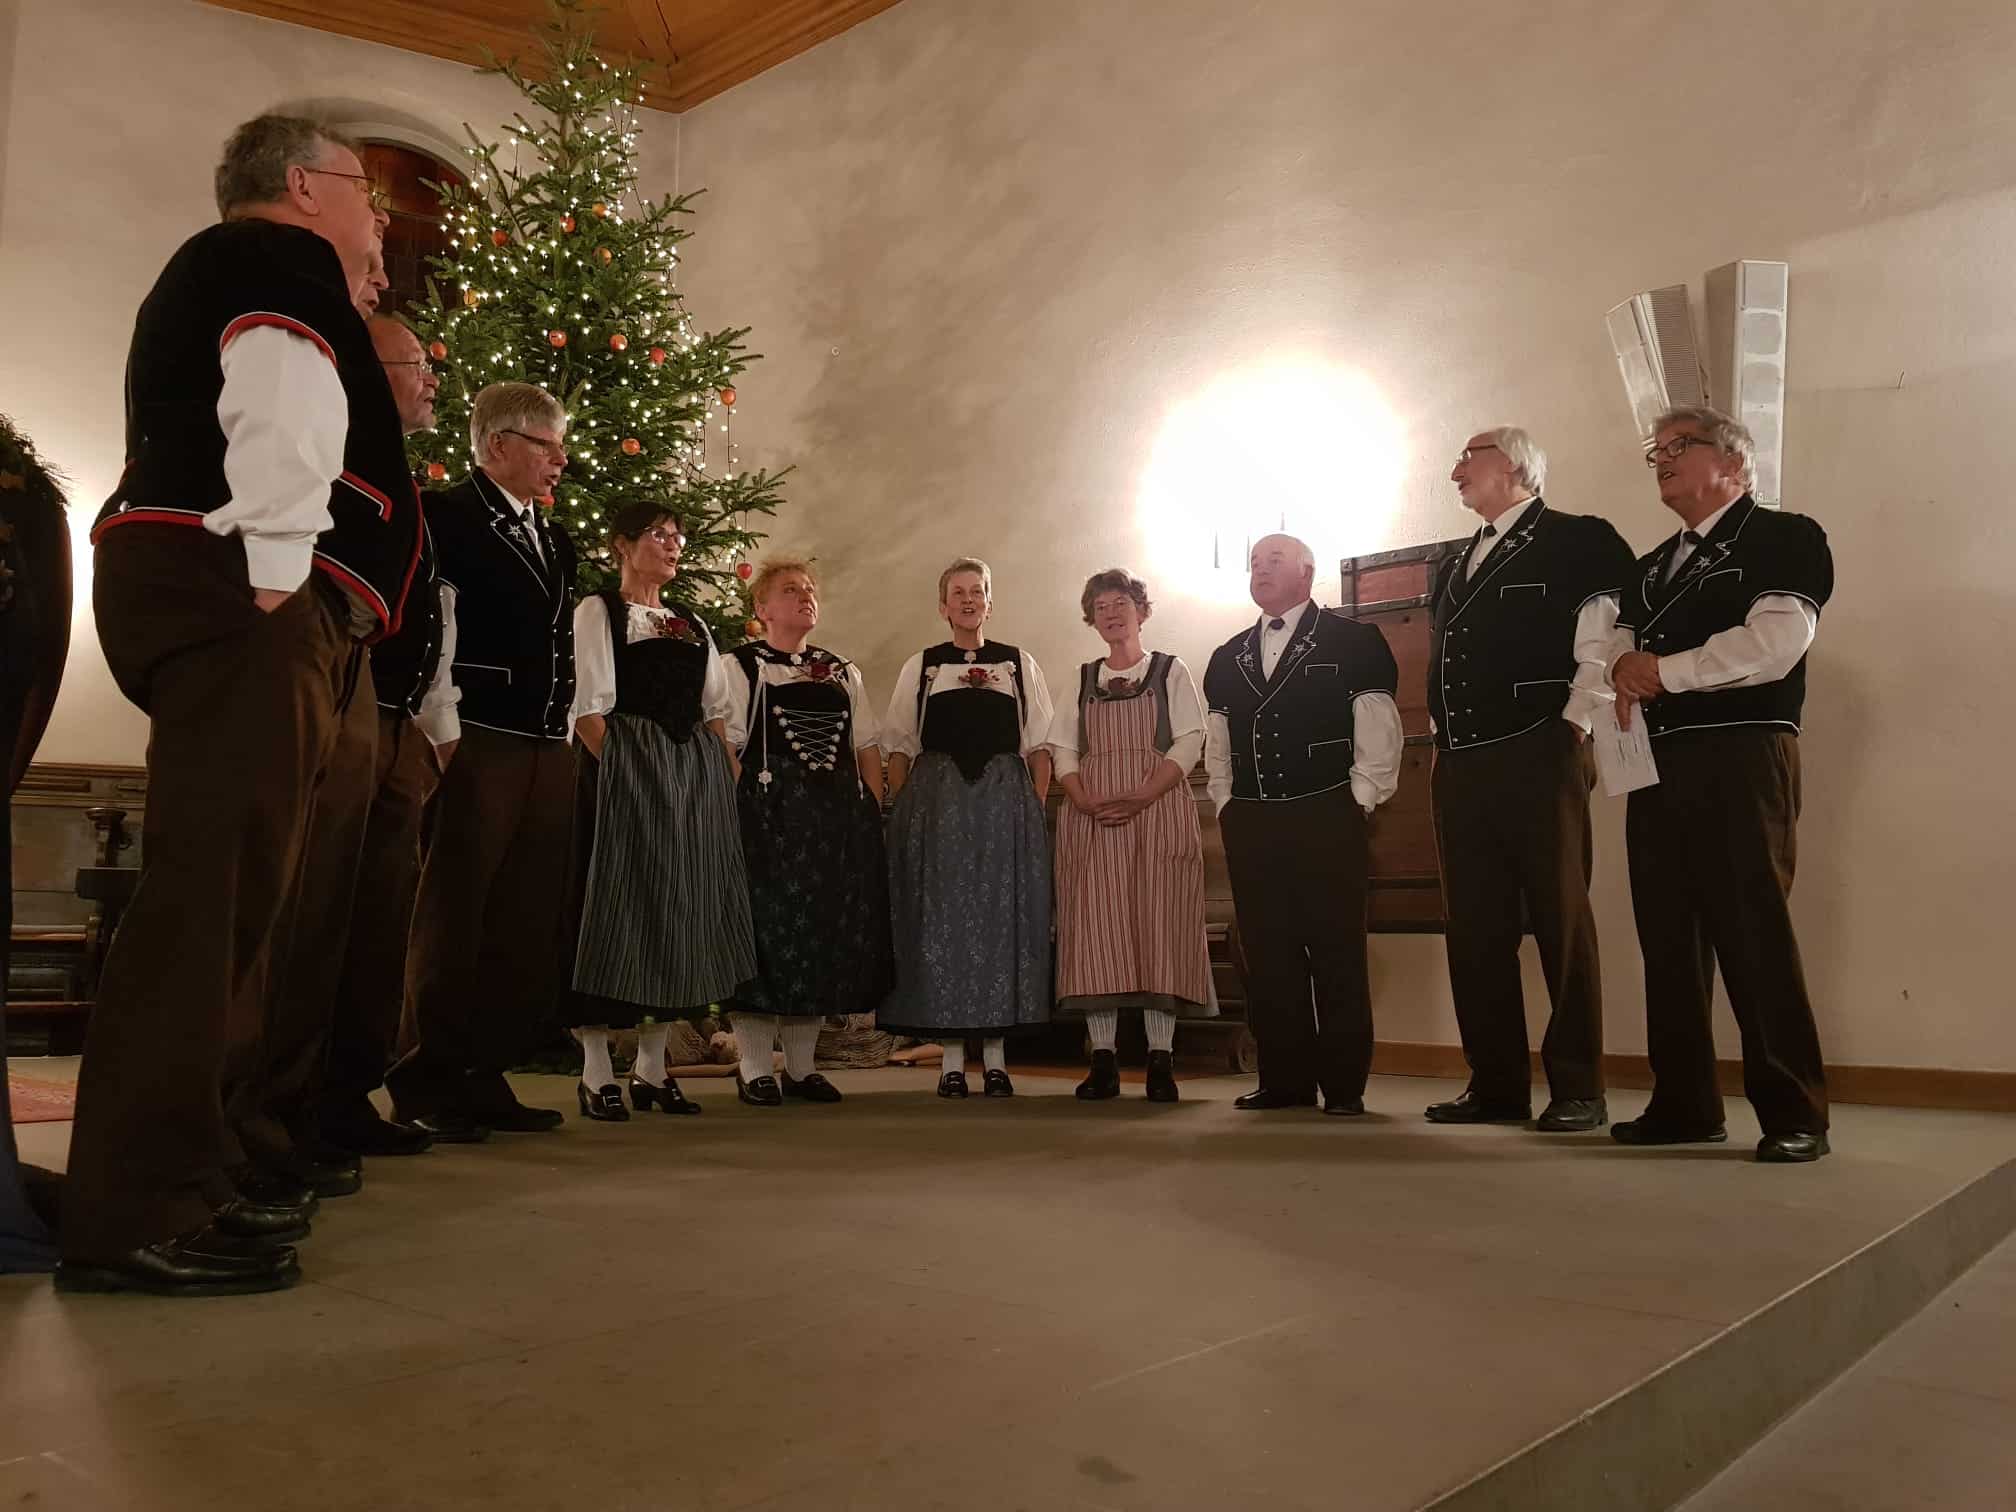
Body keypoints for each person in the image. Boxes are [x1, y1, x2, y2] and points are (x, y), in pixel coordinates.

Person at [62, 114, 412, 1297]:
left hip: (227, 589)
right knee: (209, 908)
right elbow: (280, 394)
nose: (379, 217)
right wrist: (277, 569)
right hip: (244, 591)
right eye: (365, 189)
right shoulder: (273, 258)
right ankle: (136, 1209)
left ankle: (191, 1178)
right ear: (305, 185)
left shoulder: (246, 262)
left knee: (235, 905)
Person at [1598, 405, 1834, 1163]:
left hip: (1741, 754)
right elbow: (1616, 650)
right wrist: (1622, 666)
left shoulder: (1785, 537)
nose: (1663, 460)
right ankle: (1684, 1103)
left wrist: (1660, 671)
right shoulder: (1647, 567)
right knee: (1667, 938)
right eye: (1656, 451)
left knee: (1752, 931)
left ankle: (1795, 1111)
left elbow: (1774, 644)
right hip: (1656, 763)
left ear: (1733, 462)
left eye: (1680, 446)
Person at [1423, 428, 1637, 1133]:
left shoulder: (1580, 539)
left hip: (1539, 751)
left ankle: (1579, 1086)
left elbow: (1604, 641)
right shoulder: (1454, 561)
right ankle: (1497, 1085)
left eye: (1470, 455)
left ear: (1515, 464)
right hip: (1461, 762)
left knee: (1559, 919)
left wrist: (1575, 723)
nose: (1455, 469)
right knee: (1474, 928)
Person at [387, 383, 577, 1140]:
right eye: (545, 443)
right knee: (454, 911)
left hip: (543, 741)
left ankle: (483, 1070)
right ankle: (425, 1078)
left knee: (522, 916)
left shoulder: (553, 539)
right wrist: (442, 728)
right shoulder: (448, 517)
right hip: (477, 734)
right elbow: (435, 623)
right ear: (497, 444)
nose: (560, 459)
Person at [312, 315, 456, 1158]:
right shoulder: (337, 454)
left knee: (379, 913)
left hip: (397, 721)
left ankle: (348, 1091)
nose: (432, 378)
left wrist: (433, 724)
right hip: (349, 705)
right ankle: (302, 1099)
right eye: (417, 363)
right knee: (330, 906)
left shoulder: (399, 473)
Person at [567, 505, 757, 1119]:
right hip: (628, 771)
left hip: (693, 778)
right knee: (616, 905)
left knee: (680, 908)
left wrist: (722, 774)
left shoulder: (692, 622)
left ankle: (651, 1069)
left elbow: (715, 708)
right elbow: (587, 707)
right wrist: (625, 771)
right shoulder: (599, 611)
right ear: (622, 545)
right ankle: (596, 1072)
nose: (673, 545)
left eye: (678, 536)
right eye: (659, 535)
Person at [1203, 534, 1402, 1116]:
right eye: (1254, 563)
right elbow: (1218, 745)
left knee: (1337, 952)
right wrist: (1226, 803)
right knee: (1268, 955)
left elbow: (1378, 730)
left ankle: (1343, 1085)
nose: (1260, 570)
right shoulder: (1227, 655)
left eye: (1274, 561)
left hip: (1327, 815)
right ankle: (1284, 1079)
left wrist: (1359, 801)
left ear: (1307, 572)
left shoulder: (1354, 640)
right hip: (1252, 822)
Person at [880, 558, 1054, 1097]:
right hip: (939, 808)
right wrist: (906, 812)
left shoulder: (1019, 664)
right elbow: (899, 746)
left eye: (977, 591)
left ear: (989, 603)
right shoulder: (923, 666)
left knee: (1001, 926)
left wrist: (1032, 807)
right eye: (958, 592)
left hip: (1004, 805)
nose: (968, 600)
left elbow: (1039, 745)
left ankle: (996, 1061)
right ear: (943, 605)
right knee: (945, 926)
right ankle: (951, 1063)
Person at [722, 558, 892, 1106]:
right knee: (766, 934)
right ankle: (754, 1066)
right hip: (769, 817)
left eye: (810, 590)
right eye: (791, 590)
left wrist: (869, 806)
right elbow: (725, 741)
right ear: (762, 607)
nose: (805, 597)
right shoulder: (740, 666)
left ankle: (800, 1067)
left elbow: (866, 743)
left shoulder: (840, 670)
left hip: (832, 820)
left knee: (820, 933)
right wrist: (747, 803)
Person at [1047, 568, 1214, 1102]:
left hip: (1157, 811)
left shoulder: (1169, 670)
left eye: (1120, 602)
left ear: (1141, 611)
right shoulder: (1080, 679)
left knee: (1158, 927)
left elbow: (1189, 739)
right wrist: (1082, 799)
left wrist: (1142, 794)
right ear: (1091, 619)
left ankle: (1161, 1061)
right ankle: (1103, 1061)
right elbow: (1063, 749)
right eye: (1100, 607)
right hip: (1092, 818)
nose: (1111, 613)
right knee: (1096, 931)